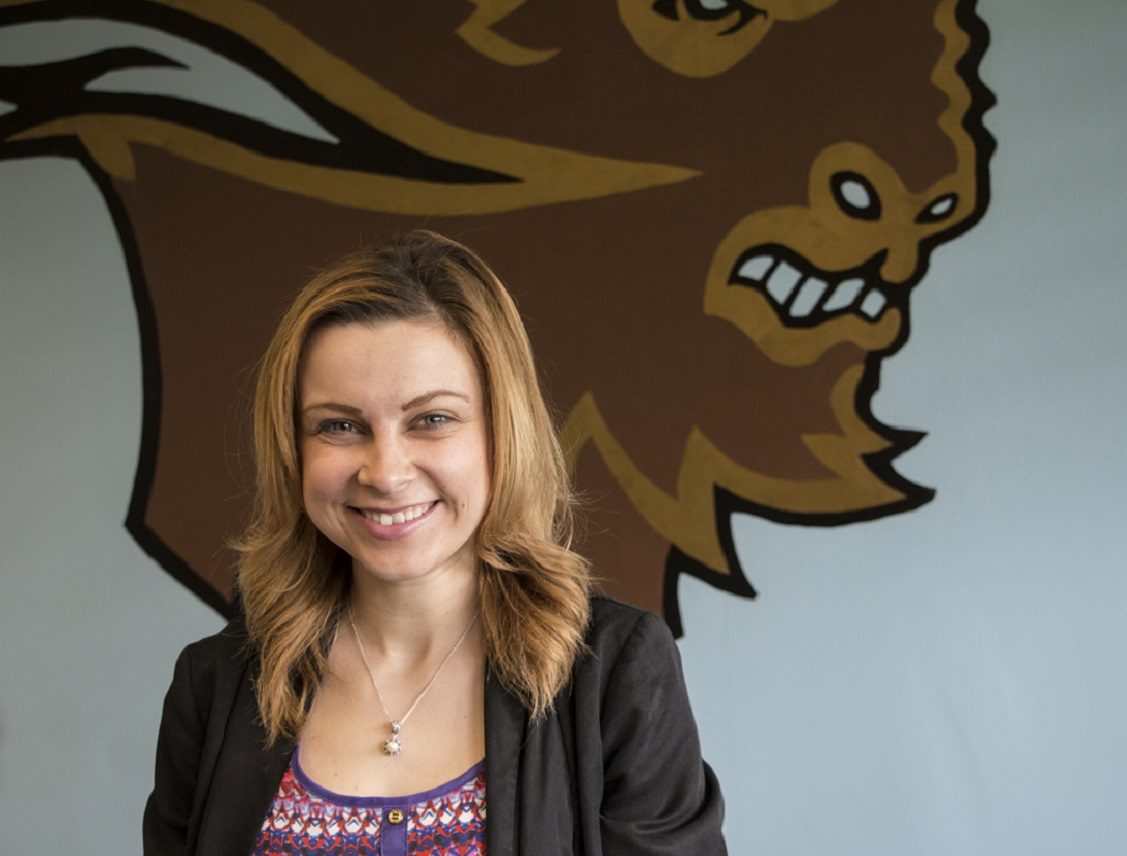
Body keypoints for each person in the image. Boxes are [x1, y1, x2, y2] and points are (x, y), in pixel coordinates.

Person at [143, 230, 725, 854]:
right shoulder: (214, 687)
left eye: (432, 420)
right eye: (339, 426)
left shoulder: (614, 674)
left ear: (502, 432)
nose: (385, 472)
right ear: (293, 449)